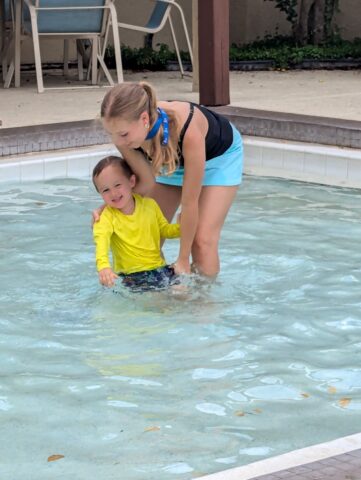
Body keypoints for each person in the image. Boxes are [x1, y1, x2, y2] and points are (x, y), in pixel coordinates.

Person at [94, 81, 243, 277]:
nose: (118, 142)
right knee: (148, 235)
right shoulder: (124, 134)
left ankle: (205, 303)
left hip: (217, 159)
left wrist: (182, 260)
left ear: (144, 118)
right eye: (111, 134)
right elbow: (147, 183)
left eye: (123, 134)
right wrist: (111, 207)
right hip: (170, 161)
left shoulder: (187, 130)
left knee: (201, 241)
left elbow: (189, 204)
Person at [92, 155, 180, 291]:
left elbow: (164, 230)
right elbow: (101, 242)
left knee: (183, 292)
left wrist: (181, 227)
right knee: (161, 302)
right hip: (131, 277)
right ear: (100, 194)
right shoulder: (105, 218)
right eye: (106, 190)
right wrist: (103, 267)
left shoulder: (150, 205)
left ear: (131, 181)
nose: (113, 193)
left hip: (159, 269)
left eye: (117, 185)